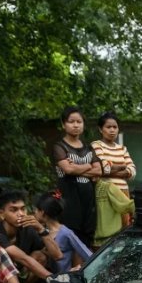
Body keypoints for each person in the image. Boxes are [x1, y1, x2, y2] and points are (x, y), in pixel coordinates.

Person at [54, 106, 103, 249]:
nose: (76, 125)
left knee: (87, 235)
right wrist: (88, 166)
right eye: (71, 121)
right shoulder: (59, 147)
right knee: (71, 235)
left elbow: (98, 170)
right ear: (64, 124)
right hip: (69, 199)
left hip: (88, 200)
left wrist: (77, 168)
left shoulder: (88, 147)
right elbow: (68, 169)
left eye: (79, 122)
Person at [0, 191, 62, 283]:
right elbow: (23, 258)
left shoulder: (28, 229)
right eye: (13, 210)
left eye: (23, 209)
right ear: (1, 214)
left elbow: (58, 255)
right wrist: (54, 279)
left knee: (40, 256)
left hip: (20, 275)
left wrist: (41, 229)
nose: (21, 214)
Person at [91, 111, 137, 227]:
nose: (112, 130)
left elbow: (133, 171)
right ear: (101, 129)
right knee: (108, 227)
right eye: (108, 127)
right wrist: (122, 168)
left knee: (124, 226)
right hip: (107, 193)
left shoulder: (122, 149)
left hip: (123, 193)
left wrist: (111, 170)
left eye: (115, 127)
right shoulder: (96, 145)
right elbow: (102, 168)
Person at [34, 191, 92, 273]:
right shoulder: (41, 231)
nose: (34, 212)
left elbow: (86, 253)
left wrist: (78, 269)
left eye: (36, 210)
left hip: (63, 279)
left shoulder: (66, 233)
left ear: (42, 212)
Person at [94, 178, 135, 248]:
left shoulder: (108, 187)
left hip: (109, 241)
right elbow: (129, 206)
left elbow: (128, 206)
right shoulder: (108, 187)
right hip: (108, 242)